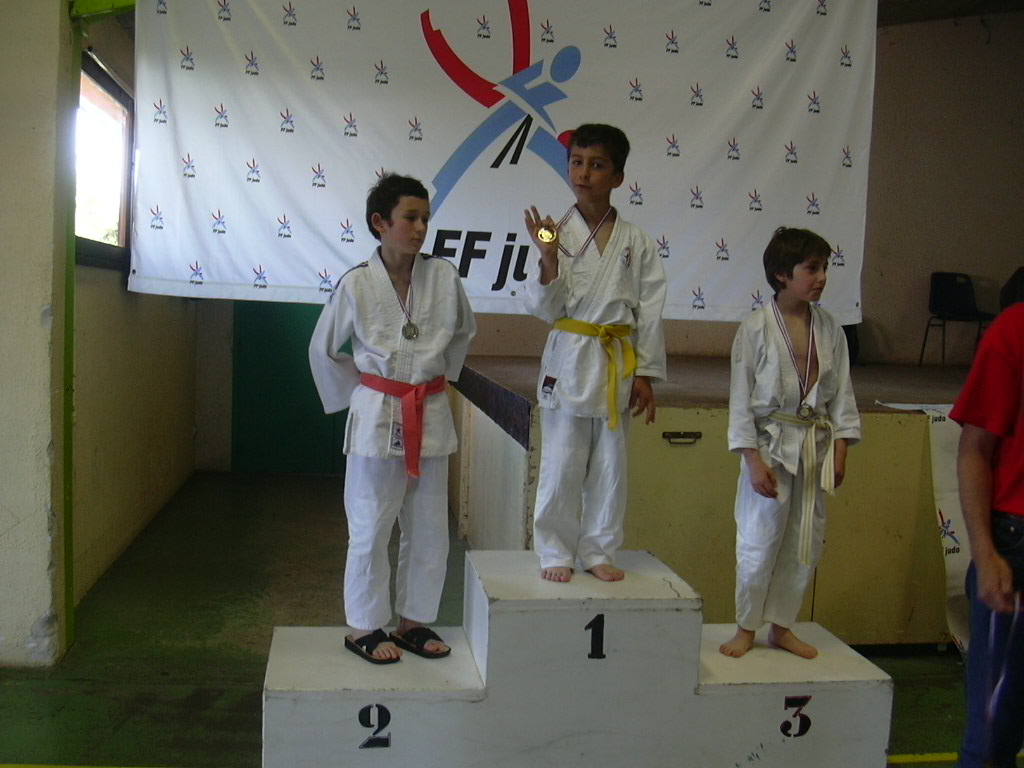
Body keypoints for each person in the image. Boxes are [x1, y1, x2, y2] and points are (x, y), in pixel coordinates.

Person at [309, 173, 476, 664]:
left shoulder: (444, 277)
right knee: (370, 524)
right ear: (380, 222)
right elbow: (322, 349)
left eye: (425, 218)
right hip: (378, 416)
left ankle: (413, 622)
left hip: (430, 411)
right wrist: (365, 392)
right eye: (410, 218)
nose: (420, 228)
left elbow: (464, 332)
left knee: (429, 528)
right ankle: (364, 625)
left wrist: (437, 377)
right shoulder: (358, 283)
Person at [522, 123, 667, 583]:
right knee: (561, 464)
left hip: (615, 362)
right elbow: (543, 308)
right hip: (569, 359)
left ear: (618, 177)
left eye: (597, 165)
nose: (583, 174)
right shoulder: (554, 233)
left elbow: (650, 310)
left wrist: (645, 373)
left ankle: (600, 550)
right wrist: (548, 258)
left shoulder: (637, 241)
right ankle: (554, 550)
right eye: (577, 163)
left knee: (610, 466)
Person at [720, 227, 860, 659]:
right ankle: (746, 626)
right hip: (770, 445)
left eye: (825, 268)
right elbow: (740, 400)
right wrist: (751, 459)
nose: (822, 277)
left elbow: (842, 393)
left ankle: (781, 628)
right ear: (782, 274)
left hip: (815, 446)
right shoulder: (755, 329)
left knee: (805, 541)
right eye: (811, 268)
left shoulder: (831, 329)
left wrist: (840, 448)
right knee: (759, 540)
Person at [949, 302, 1024, 768]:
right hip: (1015, 547)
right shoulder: (1015, 330)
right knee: (992, 737)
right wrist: (985, 552)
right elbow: (974, 448)